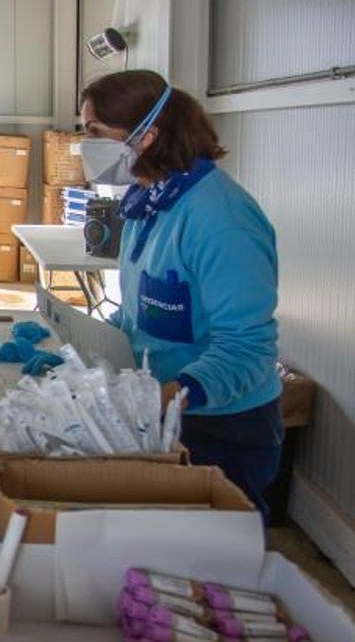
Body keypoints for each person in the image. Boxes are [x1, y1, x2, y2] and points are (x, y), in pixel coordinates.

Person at [80, 70, 282, 523]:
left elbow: (247, 348)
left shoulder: (221, 220)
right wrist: (82, 347)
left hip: (223, 427)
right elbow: (138, 314)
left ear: (147, 136)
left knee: (218, 549)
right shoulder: (150, 203)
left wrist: (167, 398)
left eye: (94, 132)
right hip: (166, 410)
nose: (84, 145)